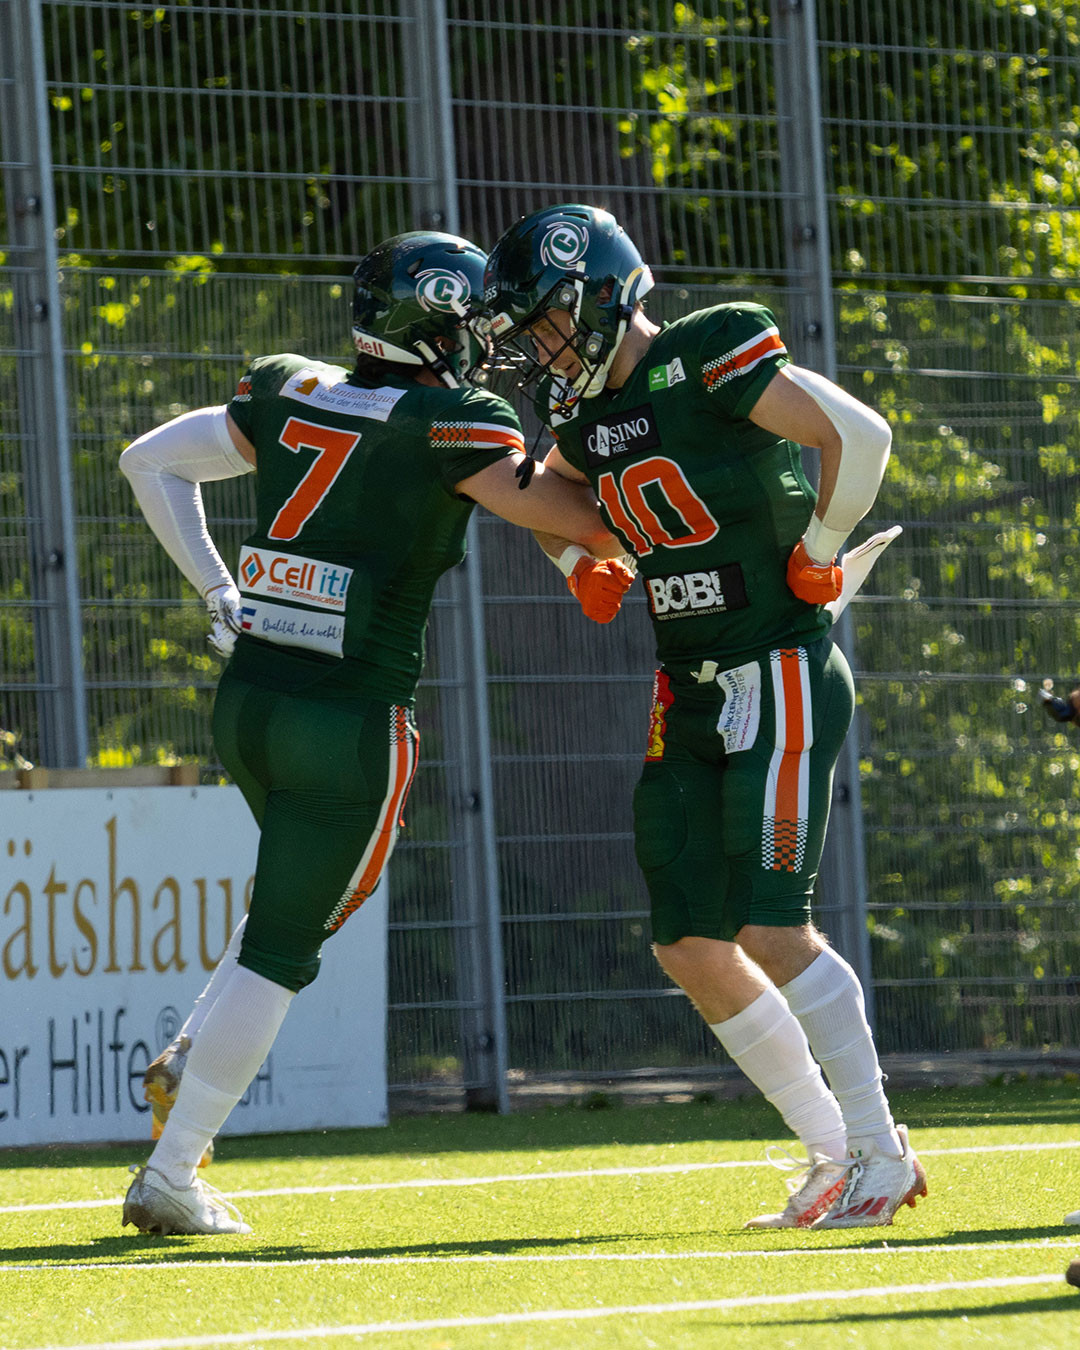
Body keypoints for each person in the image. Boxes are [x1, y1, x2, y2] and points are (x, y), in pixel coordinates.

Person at [117, 230, 630, 1236]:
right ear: (435, 325)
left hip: (250, 702)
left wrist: (218, 590)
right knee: (288, 940)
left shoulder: (290, 389)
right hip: (348, 717)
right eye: (475, 321)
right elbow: (585, 518)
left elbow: (150, 463)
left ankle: (192, 1054)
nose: (487, 340)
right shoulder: (452, 422)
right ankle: (173, 1171)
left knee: (287, 900)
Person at [480, 203, 927, 1230]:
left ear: (600, 296)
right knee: (688, 938)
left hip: (777, 663)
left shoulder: (709, 349)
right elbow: (544, 499)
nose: (542, 349)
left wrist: (821, 546)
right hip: (684, 686)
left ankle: (881, 1149)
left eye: (546, 322)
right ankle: (832, 1154)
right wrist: (573, 557)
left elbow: (859, 436)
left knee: (772, 924)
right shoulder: (585, 421)